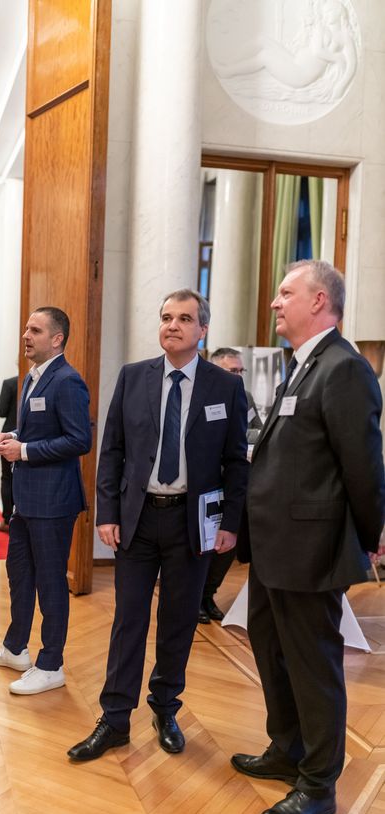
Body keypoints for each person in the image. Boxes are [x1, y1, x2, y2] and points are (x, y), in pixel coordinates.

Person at [232, 260, 385, 814]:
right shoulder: (302, 367)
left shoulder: (344, 369)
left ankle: (318, 784)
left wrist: (368, 538)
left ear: (319, 300)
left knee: (313, 665)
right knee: (273, 652)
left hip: (311, 550)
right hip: (275, 547)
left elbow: (363, 468)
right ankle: (287, 749)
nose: (275, 303)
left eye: (285, 293)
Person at [68, 289, 249, 761]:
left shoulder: (225, 387)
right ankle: (114, 719)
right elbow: (112, 450)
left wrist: (230, 523)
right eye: (166, 317)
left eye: (184, 319)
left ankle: (166, 708)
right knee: (128, 620)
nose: (172, 325)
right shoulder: (133, 377)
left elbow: (236, 462)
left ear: (202, 329)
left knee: (178, 620)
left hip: (192, 522)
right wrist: (107, 513)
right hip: (139, 518)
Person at [0, 307, 91, 695]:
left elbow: (79, 440)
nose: (26, 335)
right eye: (26, 328)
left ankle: (51, 664)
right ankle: (15, 648)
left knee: (50, 582)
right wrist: (10, 437)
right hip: (26, 499)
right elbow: (38, 429)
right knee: (19, 574)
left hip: (54, 501)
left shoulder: (67, 380)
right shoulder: (32, 377)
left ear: (57, 339)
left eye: (36, 330)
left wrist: (24, 451)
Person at [198, 346, 263, 624]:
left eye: (240, 370)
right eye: (231, 371)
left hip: (236, 482)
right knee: (204, 544)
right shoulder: (202, 393)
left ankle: (208, 594)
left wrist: (236, 435)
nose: (237, 376)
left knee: (227, 545)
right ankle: (195, 597)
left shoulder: (244, 396)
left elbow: (260, 431)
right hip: (206, 482)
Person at [0, 375, 18, 533]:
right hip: (28, 436)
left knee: (7, 478)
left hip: (9, 434)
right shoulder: (31, 381)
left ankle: (8, 520)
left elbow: (1, 411)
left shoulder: (10, 383)